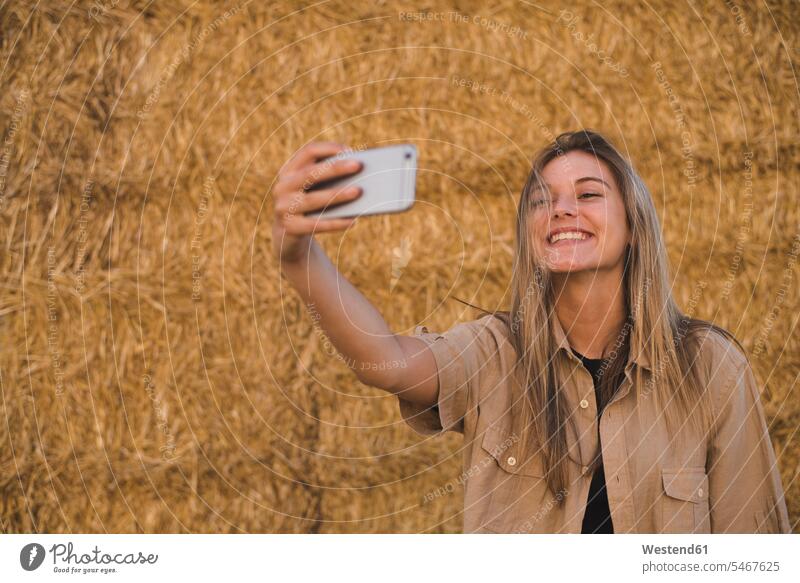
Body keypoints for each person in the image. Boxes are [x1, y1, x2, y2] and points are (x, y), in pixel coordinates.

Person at [271, 130, 791, 533]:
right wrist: (298, 257)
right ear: (529, 234)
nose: (562, 208)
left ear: (634, 227)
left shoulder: (710, 367)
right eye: (542, 200)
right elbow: (389, 363)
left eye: (588, 194)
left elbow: (753, 544)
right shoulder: (495, 354)